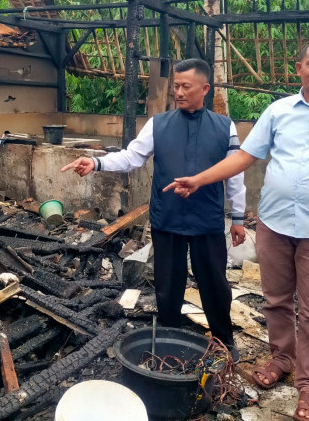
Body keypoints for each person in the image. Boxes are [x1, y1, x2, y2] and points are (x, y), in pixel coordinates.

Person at [163, 40, 309, 421]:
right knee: (276, 301)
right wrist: (199, 179)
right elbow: (244, 157)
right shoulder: (278, 111)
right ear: (299, 68)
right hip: (275, 225)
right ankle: (282, 359)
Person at [61, 58, 246, 355]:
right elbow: (131, 157)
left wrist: (238, 216)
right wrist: (96, 162)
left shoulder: (225, 127)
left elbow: (235, 173)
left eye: (187, 86)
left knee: (214, 282)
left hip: (207, 218)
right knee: (167, 284)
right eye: (176, 86)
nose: (180, 92)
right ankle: (171, 338)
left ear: (205, 88)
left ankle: (224, 340)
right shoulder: (158, 124)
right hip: (168, 217)